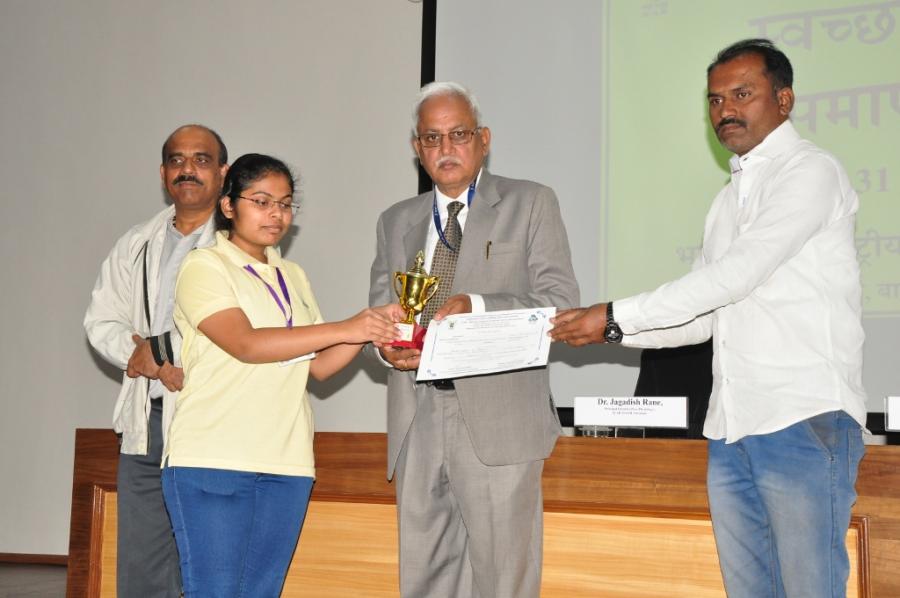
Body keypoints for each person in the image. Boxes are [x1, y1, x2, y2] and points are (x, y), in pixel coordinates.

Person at [550, 39, 866, 598]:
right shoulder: (727, 200)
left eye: (742, 94)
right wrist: (611, 328)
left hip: (801, 418)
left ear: (784, 99)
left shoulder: (810, 171)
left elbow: (736, 275)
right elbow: (703, 320)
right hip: (729, 427)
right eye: (715, 100)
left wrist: (615, 313)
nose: (725, 110)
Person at [369, 81, 579, 598]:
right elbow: (382, 311)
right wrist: (387, 347)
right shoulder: (395, 220)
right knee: (424, 579)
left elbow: (560, 302)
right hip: (417, 415)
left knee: (502, 581)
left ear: (483, 140)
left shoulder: (529, 202)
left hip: (498, 418)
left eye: (458, 134)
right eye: (432, 138)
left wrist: (478, 306)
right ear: (417, 149)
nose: (445, 148)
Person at [161, 153, 402, 597]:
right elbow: (246, 344)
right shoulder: (204, 265)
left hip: (286, 463)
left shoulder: (292, 275)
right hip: (214, 459)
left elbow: (319, 365)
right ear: (228, 205)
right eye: (262, 201)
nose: (276, 214)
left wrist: (370, 327)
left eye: (286, 204)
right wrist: (346, 327)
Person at [84, 124, 228, 597]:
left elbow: (236, 327)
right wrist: (142, 357)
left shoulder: (241, 242)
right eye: (176, 160)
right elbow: (101, 320)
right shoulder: (136, 242)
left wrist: (160, 350)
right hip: (147, 419)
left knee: (207, 561)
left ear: (223, 173)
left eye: (201, 159)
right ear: (163, 173)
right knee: (142, 564)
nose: (187, 169)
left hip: (210, 418)